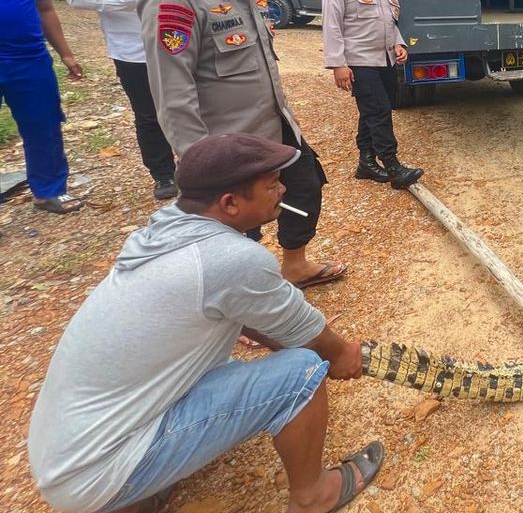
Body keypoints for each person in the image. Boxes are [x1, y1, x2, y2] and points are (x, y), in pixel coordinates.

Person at [27, 133, 384, 513]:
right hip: (93, 473)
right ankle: (314, 497)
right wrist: (344, 355)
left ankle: (132, 494)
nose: (282, 189)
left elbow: (231, 305)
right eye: (271, 185)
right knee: (302, 373)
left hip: (61, 455)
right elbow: (313, 336)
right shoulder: (231, 258)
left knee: (229, 364)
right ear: (230, 203)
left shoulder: (165, 229)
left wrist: (254, 329)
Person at [138, 0, 345, 289]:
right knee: (233, 225)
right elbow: (172, 93)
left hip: (274, 125)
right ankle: (237, 303)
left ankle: (295, 265)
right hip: (226, 142)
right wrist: (200, 163)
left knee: (304, 186)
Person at [61, 0, 187, 200]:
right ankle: (163, 175)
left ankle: (195, 165)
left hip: (178, 46)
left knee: (188, 106)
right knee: (149, 114)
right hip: (133, 50)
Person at [0, 0, 85, 215]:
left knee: (43, 124)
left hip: (29, 60)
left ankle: (48, 191)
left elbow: (46, 10)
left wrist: (66, 53)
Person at [322, 0, 423, 189]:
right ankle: (393, 167)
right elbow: (331, 24)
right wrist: (338, 64)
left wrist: (399, 44)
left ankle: (365, 162)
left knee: (377, 108)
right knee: (378, 111)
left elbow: (390, 22)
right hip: (359, 60)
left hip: (386, 60)